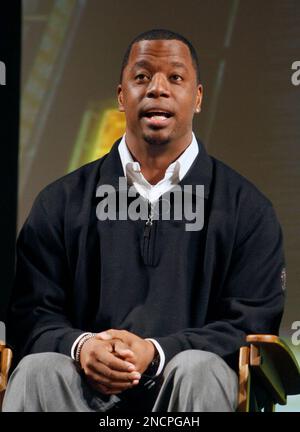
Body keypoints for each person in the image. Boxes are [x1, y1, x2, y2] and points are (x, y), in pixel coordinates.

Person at [2, 29, 285, 412]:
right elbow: (30, 315)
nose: (157, 89)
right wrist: (84, 347)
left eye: (175, 77)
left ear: (198, 97)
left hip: (186, 393)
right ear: (121, 96)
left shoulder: (247, 209)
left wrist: (156, 353)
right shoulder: (60, 202)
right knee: (39, 371)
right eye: (141, 77)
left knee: (201, 369)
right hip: (81, 393)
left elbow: (251, 327)